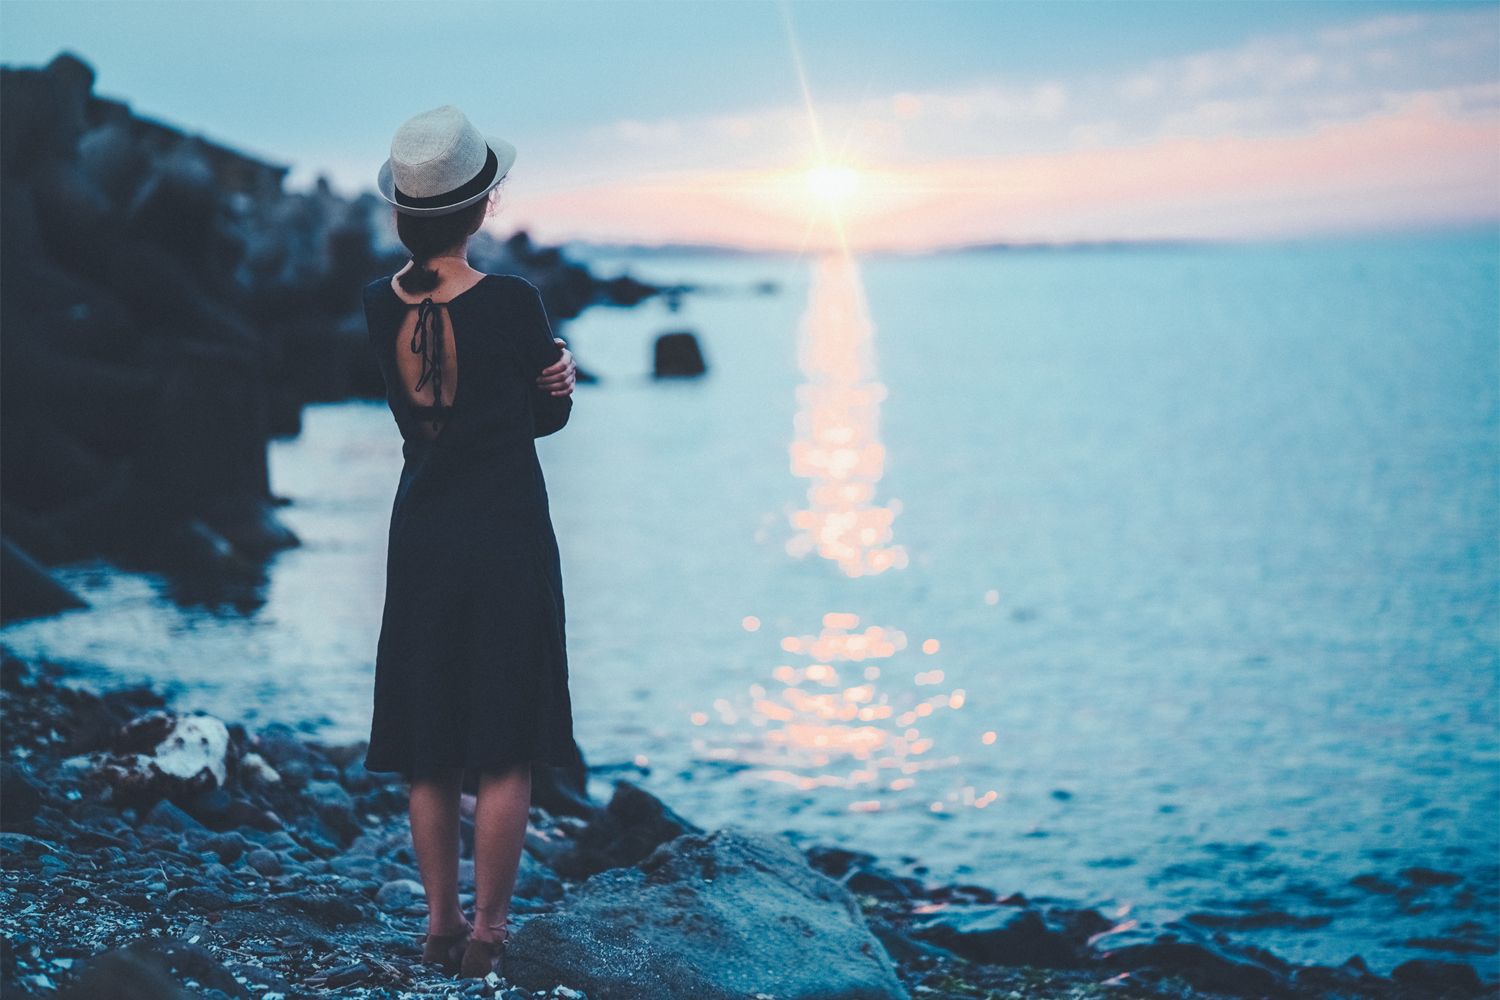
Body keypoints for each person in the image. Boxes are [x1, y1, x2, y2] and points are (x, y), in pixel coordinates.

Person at [360, 105, 581, 980]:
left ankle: (439, 926)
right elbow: (541, 417)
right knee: (504, 742)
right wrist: (558, 376)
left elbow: (432, 412)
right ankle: (490, 936)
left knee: (431, 742)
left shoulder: (377, 304)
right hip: (504, 532)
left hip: (422, 529)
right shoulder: (514, 302)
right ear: (483, 207)